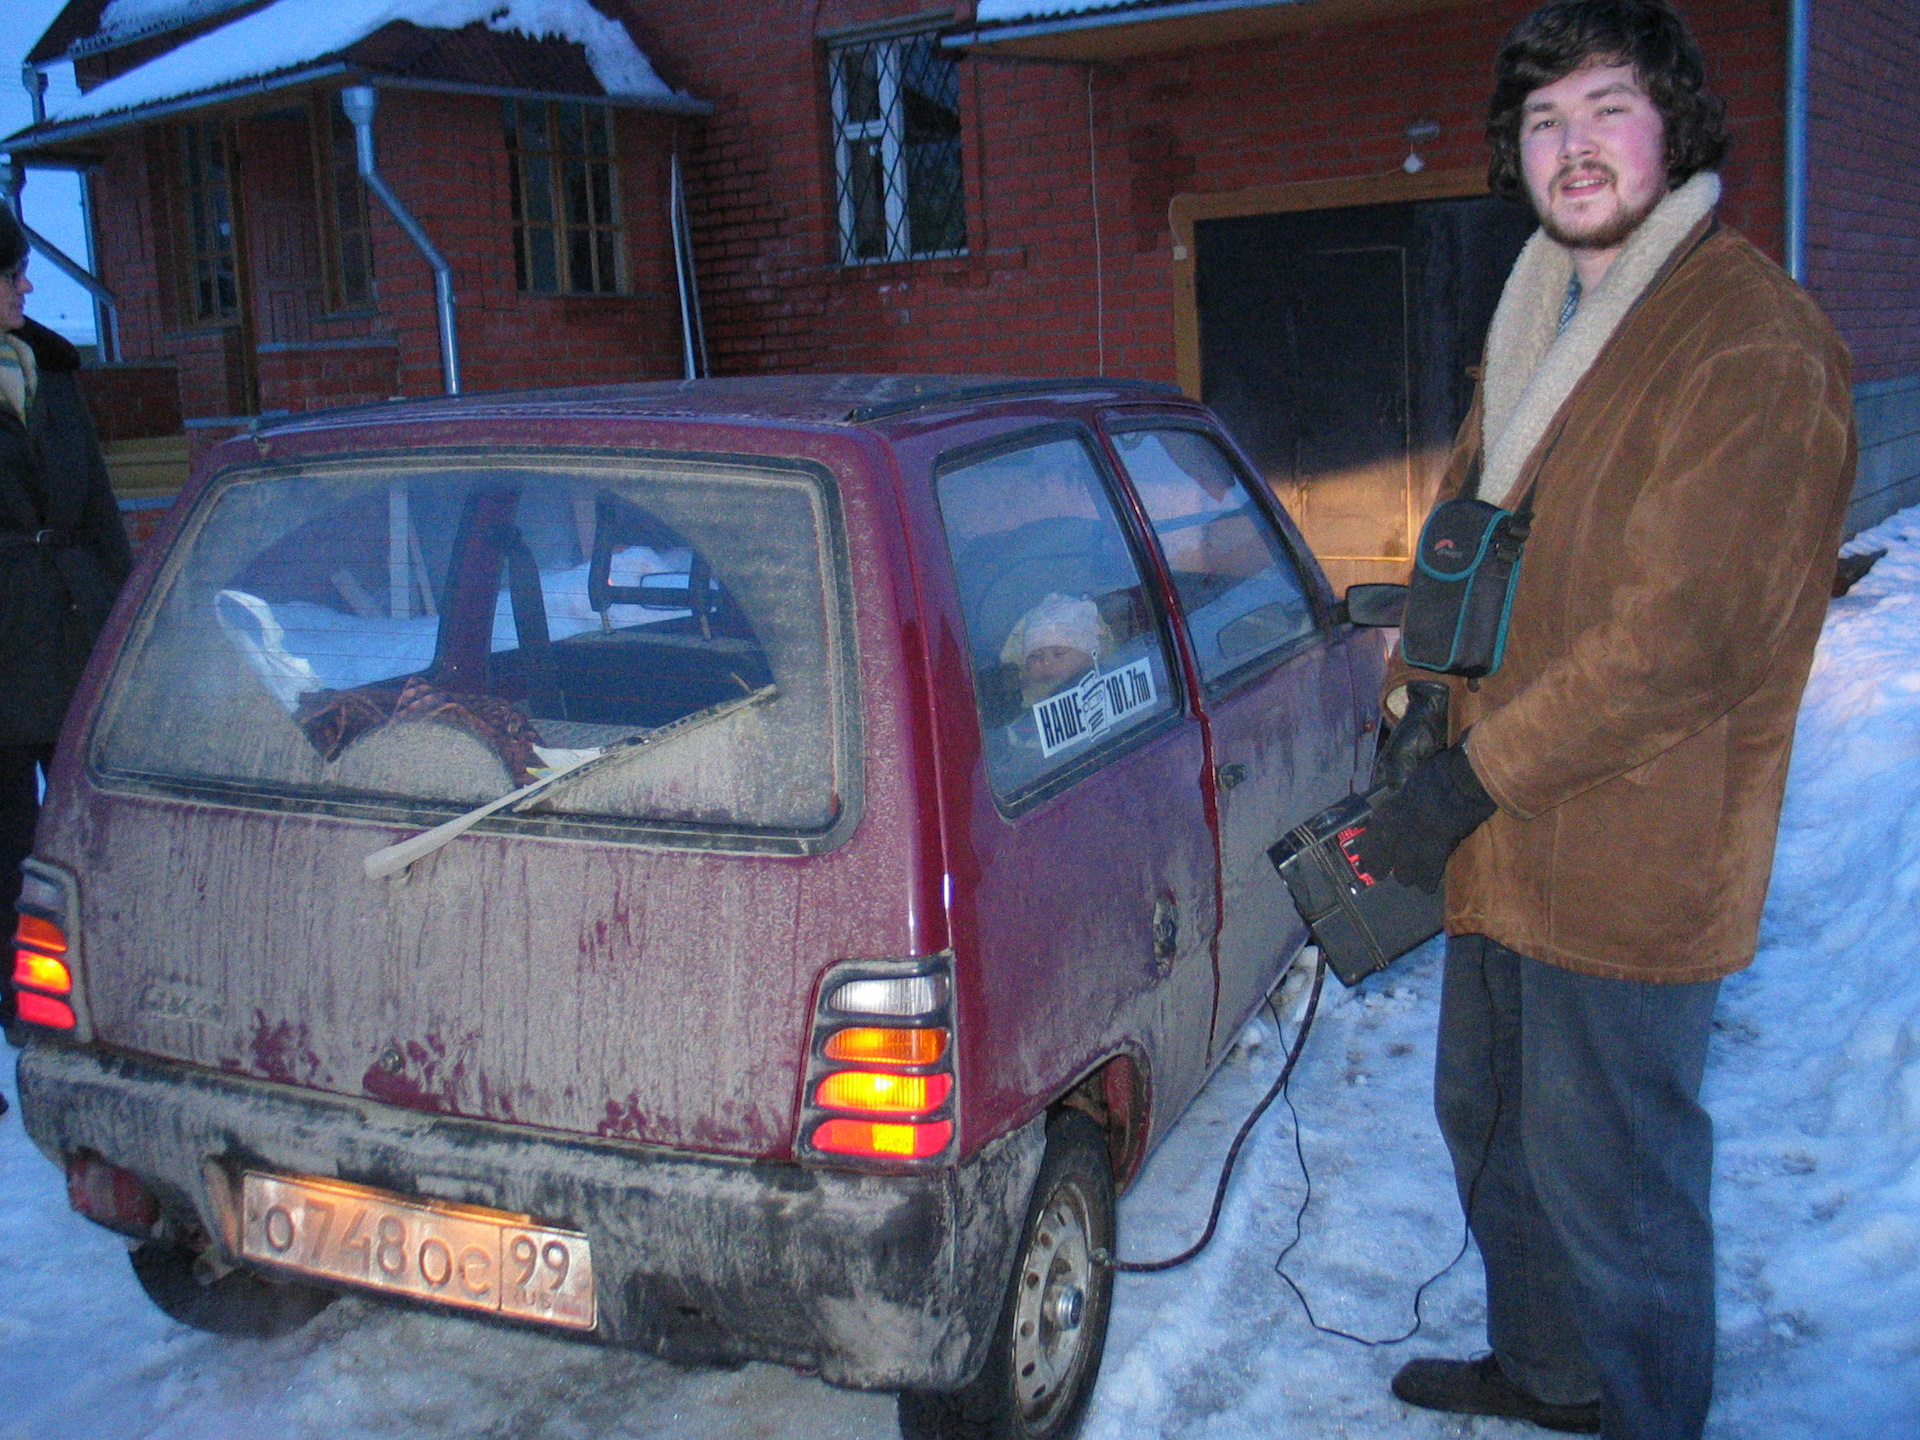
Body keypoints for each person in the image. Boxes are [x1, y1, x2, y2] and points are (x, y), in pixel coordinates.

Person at [1352, 3, 1857, 1437]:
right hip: (1507, 839)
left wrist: (1470, 779)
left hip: (1632, 859)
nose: (1575, 149)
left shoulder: (1749, 338)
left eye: (1607, 108)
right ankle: (1548, 1371)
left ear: (1676, 126)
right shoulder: (1540, 314)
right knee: (1494, 1131)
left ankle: (1642, 1409)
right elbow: (1484, 535)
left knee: (1618, 1185)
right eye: (1544, 121)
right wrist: (1413, 700)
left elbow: (1684, 642)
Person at [0, 207, 133, 1049]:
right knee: (6, 837)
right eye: (11, 273)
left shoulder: (51, 369)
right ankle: (21, 1005)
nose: (28, 284)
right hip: (4, 637)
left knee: (93, 820)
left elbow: (100, 515)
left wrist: (130, 621)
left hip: (73, 619)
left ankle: (107, 979)